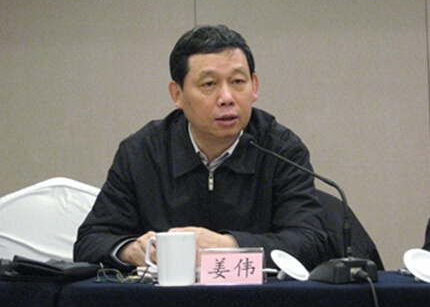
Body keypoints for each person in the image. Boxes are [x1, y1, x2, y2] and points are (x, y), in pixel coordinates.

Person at [74, 25, 328, 270]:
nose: (227, 98)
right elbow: (90, 241)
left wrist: (228, 246)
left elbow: (311, 241)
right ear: (177, 94)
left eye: (238, 81)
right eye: (209, 85)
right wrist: (131, 251)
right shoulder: (142, 153)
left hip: (256, 297)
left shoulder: (280, 149)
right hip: (166, 297)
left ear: (254, 87)